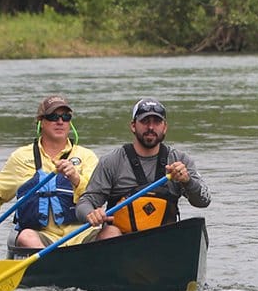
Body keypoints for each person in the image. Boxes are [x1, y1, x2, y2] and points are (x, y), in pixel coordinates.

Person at [0, 95, 100, 248]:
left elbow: (97, 194)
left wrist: (75, 178)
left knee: (112, 232)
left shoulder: (86, 156)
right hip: (42, 237)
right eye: (53, 116)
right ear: (41, 121)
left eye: (65, 117)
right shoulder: (21, 157)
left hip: (83, 234)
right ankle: (52, 267)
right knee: (26, 236)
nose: (60, 122)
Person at [76, 97, 210, 239]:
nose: (151, 127)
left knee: (190, 230)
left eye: (157, 122)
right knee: (110, 232)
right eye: (145, 121)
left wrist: (187, 181)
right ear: (133, 126)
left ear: (164, 127)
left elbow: (204, 201)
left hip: (165, 241)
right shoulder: (111, 161)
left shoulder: (180, 161)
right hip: (122, 244)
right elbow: (84, 203)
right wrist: (91, 214)